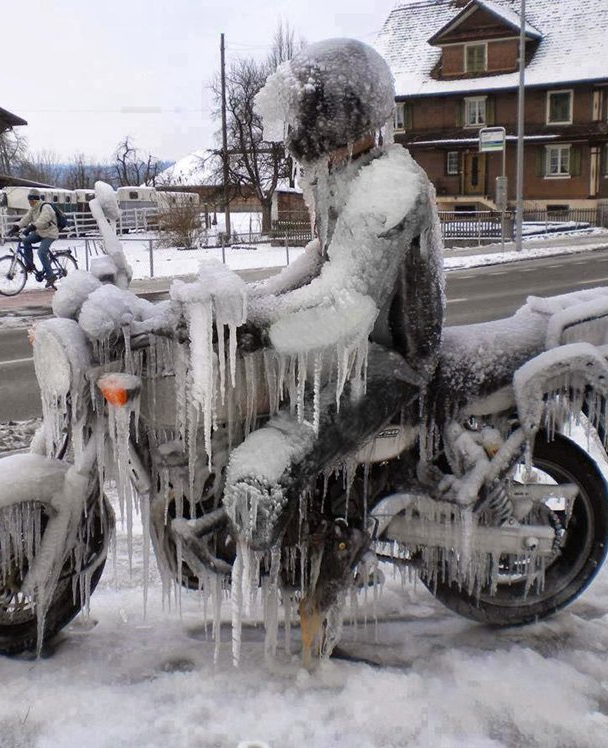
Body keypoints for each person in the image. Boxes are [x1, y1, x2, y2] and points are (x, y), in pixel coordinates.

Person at [221, 39, 445, 572]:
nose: (302, 131)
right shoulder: (342, 175)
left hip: (392, 359)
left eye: (309, 113)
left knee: (273, 460)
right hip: (357, 350)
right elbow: (321, 259)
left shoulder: (389, 183)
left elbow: (349, 300)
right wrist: (251, 303)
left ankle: (314, 573)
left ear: (339, 115)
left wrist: (258, 322)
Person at [7, 191, 60, 288]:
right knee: (26, 241)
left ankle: (51, 276)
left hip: (50, 234)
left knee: (41, 252)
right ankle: (30, 265)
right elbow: (26, 219)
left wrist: (31, 228)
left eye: (30, 200)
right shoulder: (33, 209)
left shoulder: (46, 207)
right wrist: (16, 227)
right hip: (40, 232)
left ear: (35, 200)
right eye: (29, 200)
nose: (29, 202)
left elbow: (43, 220)